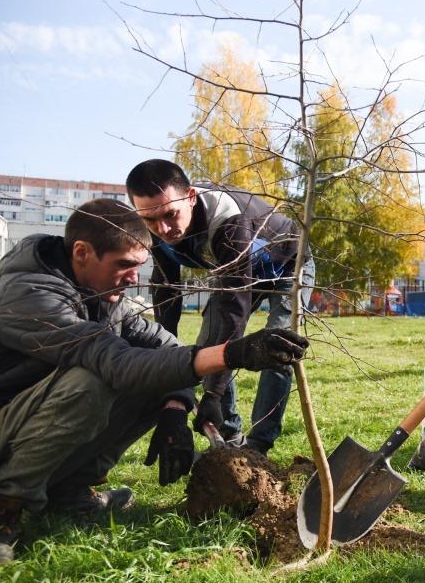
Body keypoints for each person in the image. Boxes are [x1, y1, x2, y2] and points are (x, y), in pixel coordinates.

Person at [0, 199, 308, 564]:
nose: (135, 278)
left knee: (156, 377)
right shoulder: (30, 295)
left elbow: (167, 348)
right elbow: (116, 363)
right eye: (125, 265)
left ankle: (69, 491)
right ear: (83, 253)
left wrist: (175, 408)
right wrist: (233, 354)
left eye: (139, 266)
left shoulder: (102, 295)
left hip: (20, 426)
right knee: (93, 380)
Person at [126, 160, 314, 456]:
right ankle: (230, 439)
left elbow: (233, 310)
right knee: (206, 346)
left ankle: (257, 446)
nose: (162, 228)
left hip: (288, 265)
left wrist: (212, 393)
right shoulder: (154, 230)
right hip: (240, 273)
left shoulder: (226, 219)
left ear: (189, 196)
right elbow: (166, 296)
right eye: (149, 220)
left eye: (170, 214)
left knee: (279, 347)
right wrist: (166, 365)